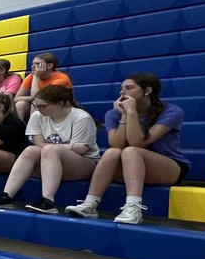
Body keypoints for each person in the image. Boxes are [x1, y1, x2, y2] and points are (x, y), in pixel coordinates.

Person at [64, 72, 189, 224]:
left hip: (168, 167)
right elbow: (116, 144)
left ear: (147, 91)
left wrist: (131, 112)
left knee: (131, 150)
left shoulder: (172, 111)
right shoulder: (113, 114)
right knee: (113, 152)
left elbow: (138, 142)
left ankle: (133, 207)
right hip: (129, 166)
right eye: (121, 89)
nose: (122, 92)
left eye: (129, 88)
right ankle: (90, 203)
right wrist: (124, 116)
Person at [0, 85, 99, 212]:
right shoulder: (38, 115)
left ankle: (48, 201)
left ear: (60, 104)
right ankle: (7, 195)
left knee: (50, 150)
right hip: (51, 161)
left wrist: (53, 148)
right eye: (36, 105)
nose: (38, 109)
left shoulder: (81, 117)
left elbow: (81, 149)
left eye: (43, 106)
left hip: (84, 164)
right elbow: (38, 143)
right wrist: (66, 147)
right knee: (30, 150)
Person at [14, 52, 72, 121]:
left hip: (59, 106)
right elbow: (16, 98)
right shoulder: (31, 76)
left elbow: (39, 97)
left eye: (37, 64)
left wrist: (36, 76)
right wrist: (32, 98)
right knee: (20, 104)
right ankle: (21, 129)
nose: (32, 66)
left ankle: (36, 129)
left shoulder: (62, 78)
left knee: (36, 104)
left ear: (49, 65)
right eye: (33, 64)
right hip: (43, 104)